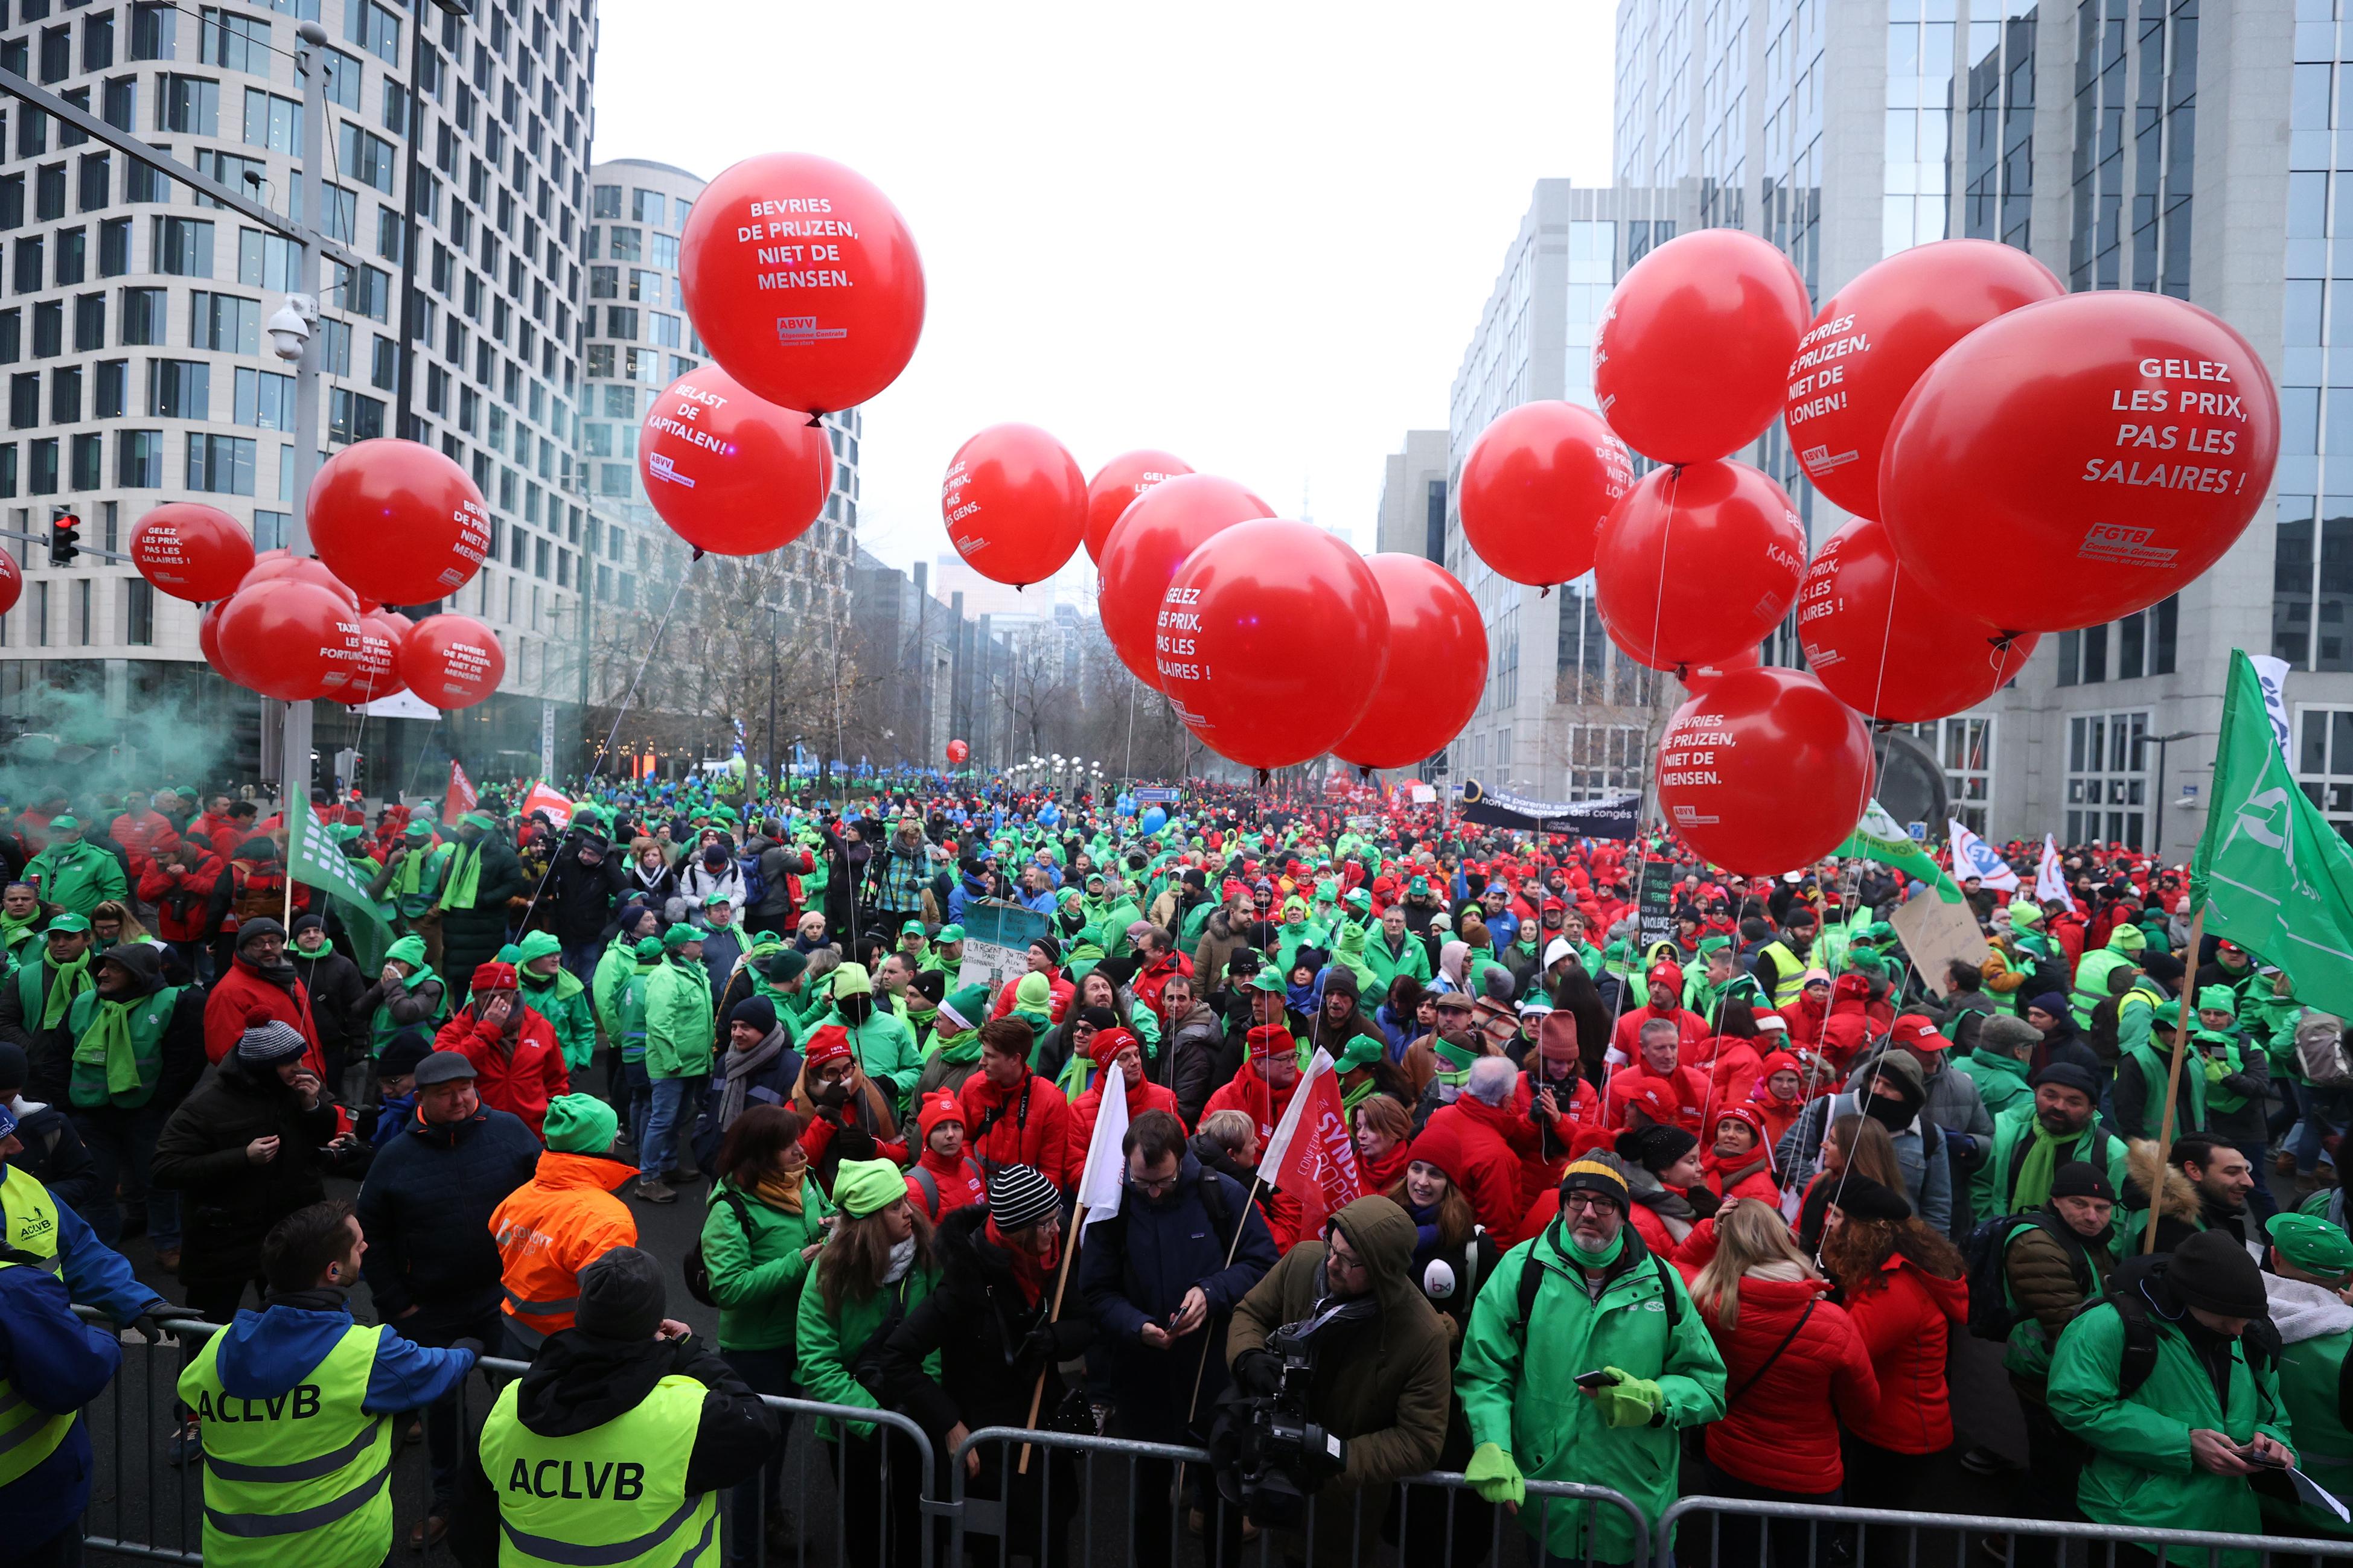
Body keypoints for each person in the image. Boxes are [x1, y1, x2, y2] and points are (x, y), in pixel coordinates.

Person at [1457, 1158, 1728, 1566]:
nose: (1587, 1212)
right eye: (1577, 1199)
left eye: (1603, 1203)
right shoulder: (1520, 1271)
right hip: (1553, 1508)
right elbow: (1485, 1372)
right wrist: (1491, 1440)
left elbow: (1708, 1385)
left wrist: (1654, 1400)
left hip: (1637, 1511)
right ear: (1562, 1205)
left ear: (1623, 1212)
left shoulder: (1664, 1283)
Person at [177, 1200, 476, 1568]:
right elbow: (437, 1371)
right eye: (357, 1245)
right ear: (334, 1271)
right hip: (339, 1551)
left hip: (233, 1554)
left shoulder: (216, 1348)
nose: (365, 1247)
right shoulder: (365, 1354)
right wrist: (468, 1349)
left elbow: (192, 1393)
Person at [460, 1246, 782, 1568]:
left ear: (581, 1314)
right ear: (656, 1322)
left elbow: (471, 1533)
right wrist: (689, 1352)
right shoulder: (686, 1419)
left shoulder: (506, 1410)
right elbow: (759, 1424)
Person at [354, 1051, 541, 1547]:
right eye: (445, 1093)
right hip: (430, 1309)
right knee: (443, 1412)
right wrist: (396, 1302)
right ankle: (449, 1503)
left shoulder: (510, 1132)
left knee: (520, 1397)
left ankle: (519, 1495)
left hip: (503, 1300)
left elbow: (543, 1199)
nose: (460, 1100)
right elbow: (370, 1232)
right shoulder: (394, 1156)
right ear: (422, 1099)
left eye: (466, 1089)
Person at [1080, 1107, 1277, 1568]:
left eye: (1162, 1182)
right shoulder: (1117, 1203)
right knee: (1150, 1501)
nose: (1152, 1192)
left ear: (1182, 1161)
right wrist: (1135, 1325)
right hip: (1144, 1378)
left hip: (1214, 1379)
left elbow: (1263, 1264)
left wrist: (1212, 1292)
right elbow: (1095, 1290)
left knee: (1220, 1499)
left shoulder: (1221, 1195)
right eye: (1142, 1181)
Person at [880, 1164, 1091, 1568]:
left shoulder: (1054, 1260)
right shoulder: (963, 1281)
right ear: (1016, 1232)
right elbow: (897, 1357)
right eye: (1046, 1224)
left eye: (1055, 1219)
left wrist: (1056, 1339)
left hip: (1042, 1435)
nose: (1057, 1231)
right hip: (987, 1451)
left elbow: (1085, 1324)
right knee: (990, 1548)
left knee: (1052, 1542)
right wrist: (949, 1422)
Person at [2046, 1229, 2296, 1554]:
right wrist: (2183, 1443)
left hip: (2232, 1532)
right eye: (2227, 1320)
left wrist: (2274, 1444)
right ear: (2191, 1298)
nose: (2236, 1331)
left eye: (2246, 1320)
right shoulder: (2110, 1324)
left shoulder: (2252, 1337)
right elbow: (2075, 1403)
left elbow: (2273, 1416)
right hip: (2137, 1528)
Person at [1685, 1198, 1879, 1566]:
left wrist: (1708, 1233)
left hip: (1732, 1460)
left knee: (1736, 1556)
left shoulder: (1711, 1304)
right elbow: (1863, 1407)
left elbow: (1678, 1265)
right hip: (1808, 1474)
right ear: (1783, 1239)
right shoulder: (1833, 1322)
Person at [153, 1014, 351, 1326]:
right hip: (224, 1243)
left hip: (289, 1236)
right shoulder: (205, 1105)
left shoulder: (299, 1089)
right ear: (263, 1065)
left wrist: (313, 1107)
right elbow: (165, 1168)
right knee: (208, 1332)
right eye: (289, 1061)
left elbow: (323, 1135)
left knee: (292, 1328)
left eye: (300, 1057)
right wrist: (242, 1157)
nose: (299, 1067)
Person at [702, 1104, 831, 1567]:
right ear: (760, 1155)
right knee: (752, 1459)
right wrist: (800, 1261)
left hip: (799, 1337)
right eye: (788, 1145)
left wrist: (835, 1226)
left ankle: (771, 1519)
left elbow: (825, 1215)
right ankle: (742, 1554)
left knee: (777, 1440)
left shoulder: (806, 1180)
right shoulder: (730, 1206)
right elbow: (729, 1287)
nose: (801, 1149)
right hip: (754, 1352)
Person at [796, 1157, 939, 1568]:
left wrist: (922, 1404)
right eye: (895, 1207)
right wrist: (876, 1421)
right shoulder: (828, 1273)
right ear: (870, 1220)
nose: (909, 1211)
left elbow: (936, 1343)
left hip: (916, 1418)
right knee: (864, 1530)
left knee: (916, 1521)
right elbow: (818, 1362)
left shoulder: (926, 1256)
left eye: (905, 1201)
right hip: (856, 1428)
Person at [0, 1109, 126, 1568]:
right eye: (1, 1140)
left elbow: (81, 1251)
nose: (16, 1148)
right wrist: (102, 1340)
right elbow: (77, 1370)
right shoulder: (11, 1289)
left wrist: (138, 1301)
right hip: (24, 1499)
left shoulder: (24, 1188)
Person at [1816, 1173, 1970, 1522]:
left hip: (1897, 1435)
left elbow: (1845, 1349)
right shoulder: (1883, 1271)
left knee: (1874, 1533)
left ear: (1864, 1230)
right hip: (1879, 1424)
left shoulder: (1896, 1289)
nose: (1827, 1222)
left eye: (1836, 1215)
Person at [1989, 1160, 2121, 1555]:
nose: (2092, 1216)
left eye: (2102, 1208)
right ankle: (2019, 1549)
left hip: (2058, 1369)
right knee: (2054, 1475)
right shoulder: (2037, 1245)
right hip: (2044, 1375)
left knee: (2053, 1472)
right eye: (2079, 1204)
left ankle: (2012, 1540)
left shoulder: (2085, 1237)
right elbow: (2068, 1324)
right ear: (2056, 1201)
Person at [56, 941, 202, 1255]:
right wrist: (69, 1109)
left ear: (138, 974)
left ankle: (168, 1244)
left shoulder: (171, 1003)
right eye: (102, 967)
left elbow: (182, 1062)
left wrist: (157, 1105)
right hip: (91, 1115)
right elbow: (56, 1056)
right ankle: (101, 1254)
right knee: (98, 1187)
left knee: (158, 1181)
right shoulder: (82, 1004)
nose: (103, 974)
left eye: (114, 968)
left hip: (145, 1114)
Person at [488, 1085, 638, 1357]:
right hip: (571, 1352)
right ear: (604, 1143)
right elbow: (609, 1307)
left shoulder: (516, 1199)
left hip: (512, 1336)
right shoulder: (607, 1220)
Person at [1777, 1050, 1953, 1234]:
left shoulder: (1928, 1136)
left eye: (1890, 1086)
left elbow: (1937, 1204)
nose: (1877, 1091)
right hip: (1826, 1231)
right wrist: (1819, 1192)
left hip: (1896, 1242)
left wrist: (1930, 1250)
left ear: (1909, 1092)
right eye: (1874, 1080)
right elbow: (1789, 1151)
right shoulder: (1829, 1108)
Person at [2259, 1211, 2353, 1538]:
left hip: (2246, 1505)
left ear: (2273, 1256)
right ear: (2348, 1276)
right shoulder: (2347, 1347)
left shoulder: (2228, 1319)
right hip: (2332, 1524)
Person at [435, 960, 570, 1140]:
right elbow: (444, 1070)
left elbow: (556, 1081)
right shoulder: (457, 1029)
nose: (498, 1004)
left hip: (535, 1133)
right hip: (479, 1133)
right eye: (489, 998)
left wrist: (559, 1122)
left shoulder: (540, 1026)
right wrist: (488, 1030)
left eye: (505, 996)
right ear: (476, 997)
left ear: (515, 994)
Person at [640, 923, 717, 1203]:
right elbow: (659, 1024)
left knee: (677, 1120)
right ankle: (647, 1179)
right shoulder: (665, 977)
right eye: (697, 941)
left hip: (691, 1064)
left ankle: (668, 1166)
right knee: (662, 1121)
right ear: (683, 948)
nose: (702, 945)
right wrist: (672, 1061)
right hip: (673, 1067)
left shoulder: (696, 972)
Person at [200, 918, 324, 1076]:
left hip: (309, 1078)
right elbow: (224, 1054)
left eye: (274, 941)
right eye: (257, 943)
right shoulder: (229, 992)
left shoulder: (292, 978)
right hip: (277, 1087)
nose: (267, 948)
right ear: (244, 948)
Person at [960, 1018, 1074, 1187]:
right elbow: (961, 1140)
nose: (981, 1062)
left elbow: (1052, 1168)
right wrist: (974, 1181)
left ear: (1015, 1059)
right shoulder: (973, 1087)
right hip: (976, 1192)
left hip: (1024, 1202)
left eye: (990, 1056)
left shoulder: (1050, 1100)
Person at [433, 812, 529, 1003]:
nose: (465, 828)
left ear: (484, 827)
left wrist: (485, 899)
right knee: (461, 983)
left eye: (470, 824)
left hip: (486, 928)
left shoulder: (504, 854)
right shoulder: (459, 850)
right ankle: (463, 1022)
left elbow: (514, 884)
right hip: (457, 929)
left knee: (485, 981)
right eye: (465, 824)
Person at [2131, 1131, 2259, 1254]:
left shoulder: (2192, 1216)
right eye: (2232, 1172)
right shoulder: (2174, 1232)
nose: (2249, 1183)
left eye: (2246, 1171)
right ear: (2194, 1170)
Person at [286, 915, 366, 1093]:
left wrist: (358, 1042)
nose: (312, 935)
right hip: (294, 1043)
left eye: (317, 931)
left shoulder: (344, 966)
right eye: (305, 932)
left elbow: (357, 1007)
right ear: (295, 938)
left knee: (329, 1092)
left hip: (331, 1044)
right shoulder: (285, 965)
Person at [515, 929, 598, 1083]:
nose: (556, 959)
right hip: (520, 1069)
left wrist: (579, 1064)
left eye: (558, 954)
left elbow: (585, 1029)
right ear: (532, 959)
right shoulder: (509, 987)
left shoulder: (571, 987)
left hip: (563, 1068)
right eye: (549, 955)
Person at [22, 815, 127, 918]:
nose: (58, 835)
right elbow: (22, 892)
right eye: (54, 831)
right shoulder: (38, 861)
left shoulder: (100, 859)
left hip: (84, 925)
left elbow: (115, 893)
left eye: (63, 831)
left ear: (77, 834)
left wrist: (102, 919)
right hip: (42, 924)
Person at [904, 1090, 986, 1220]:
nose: (950, 1134)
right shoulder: (915, 1186)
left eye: (956, 1126)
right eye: (940, 1128)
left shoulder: (973, 1169)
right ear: (927, 1136)